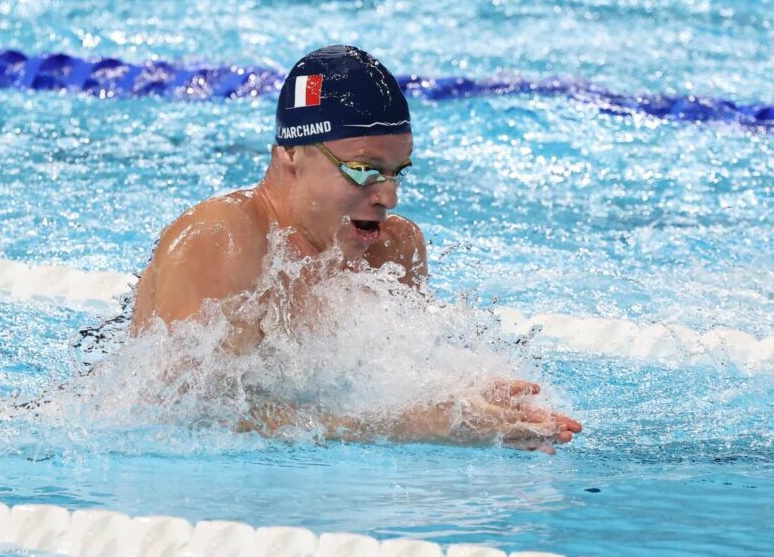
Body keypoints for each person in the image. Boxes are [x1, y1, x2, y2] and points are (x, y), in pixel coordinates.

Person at [130, 45, 582, 453]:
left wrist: (469, 400)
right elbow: (191, 415)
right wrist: (406, 424)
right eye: (364, 170)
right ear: (291, 155)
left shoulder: (394, 249)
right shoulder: (225, 239)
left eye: (396, 172)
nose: (388, 196)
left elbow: (391, 378)